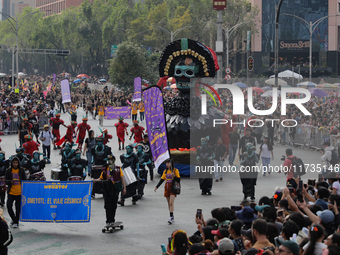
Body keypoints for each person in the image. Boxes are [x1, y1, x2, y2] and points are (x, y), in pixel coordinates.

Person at [95, 155, 126, 228]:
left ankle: (112, 220)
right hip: (107, 189)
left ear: (114, 160)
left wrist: (124, 188)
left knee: (113, 205)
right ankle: (108, 220)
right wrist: (94, 181)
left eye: (111, 160)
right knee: (107, 205)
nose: (110, 161)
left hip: (115, 189)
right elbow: (101, 178)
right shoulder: (105, 169)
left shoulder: (118, 169)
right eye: (108, 160)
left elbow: (122, 178)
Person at [154, 159, 180, 224]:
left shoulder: (175, 170)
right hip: (167, 187)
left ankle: (171, 217)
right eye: (166, 163)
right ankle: (171, 215)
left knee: (171, 202)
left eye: (168, 163)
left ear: (171, 164)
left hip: (173, 187)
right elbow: (162, 179)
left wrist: (174, 176)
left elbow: (179, 179)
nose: (167, 164)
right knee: (168, 203)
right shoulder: (165, 171)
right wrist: (157, 186)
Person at [5, 157, 27, 228]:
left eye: (16, 163)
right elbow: (6, 181)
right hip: (11, 192)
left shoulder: (21, 170)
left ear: (18, 163)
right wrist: (10, 182)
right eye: (14, 162)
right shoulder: (8, 170)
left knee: (18, 208)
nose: (15, 164)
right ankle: (14, 219)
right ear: (11, 163)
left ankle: (16, 222)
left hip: (19, 193)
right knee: (9, 206)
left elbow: (25, 180)